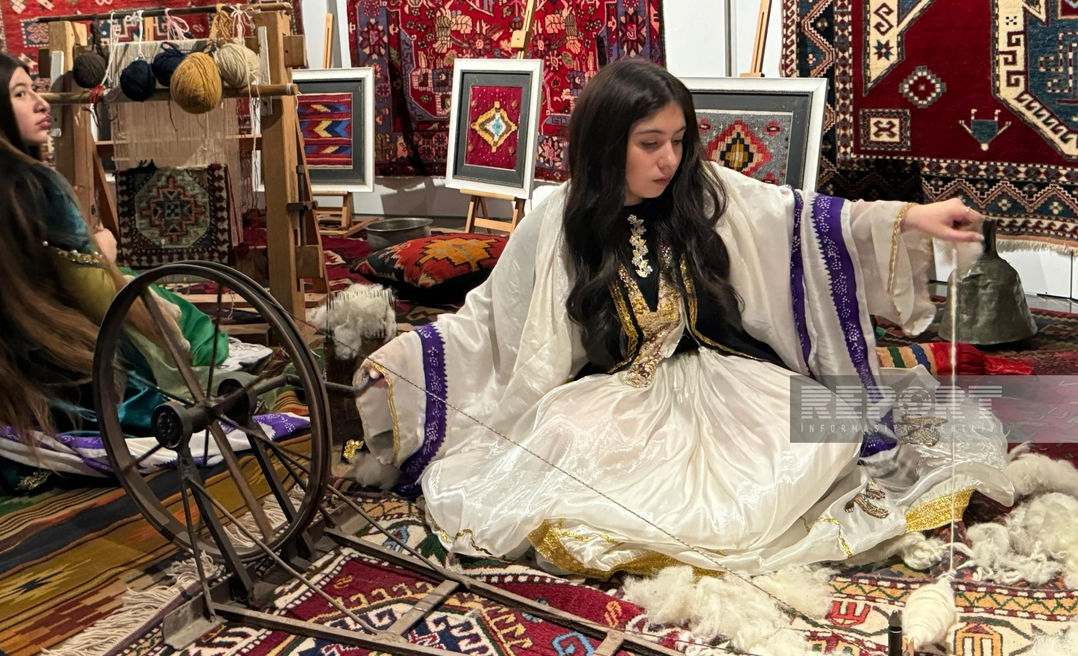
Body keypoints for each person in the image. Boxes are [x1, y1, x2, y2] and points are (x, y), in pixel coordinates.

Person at [354, 60, 1015, 577]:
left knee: (826, 430)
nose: (668, 160)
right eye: (650, 144)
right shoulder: (557, 217)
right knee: (563, 447)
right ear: (606, 144)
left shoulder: (705, 191)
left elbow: (804, 218)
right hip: (620, 396)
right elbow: (490, 323)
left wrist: (911, 218)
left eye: (676, 141)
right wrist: (405, 363)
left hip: (729, 383)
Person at [0, 49, 262, 497]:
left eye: (34, 89)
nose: (41, 102)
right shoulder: (33, 186)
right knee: (160, 320)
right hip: (39, 382)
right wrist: (105, 255)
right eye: (20, 94)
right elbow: (99, 296)